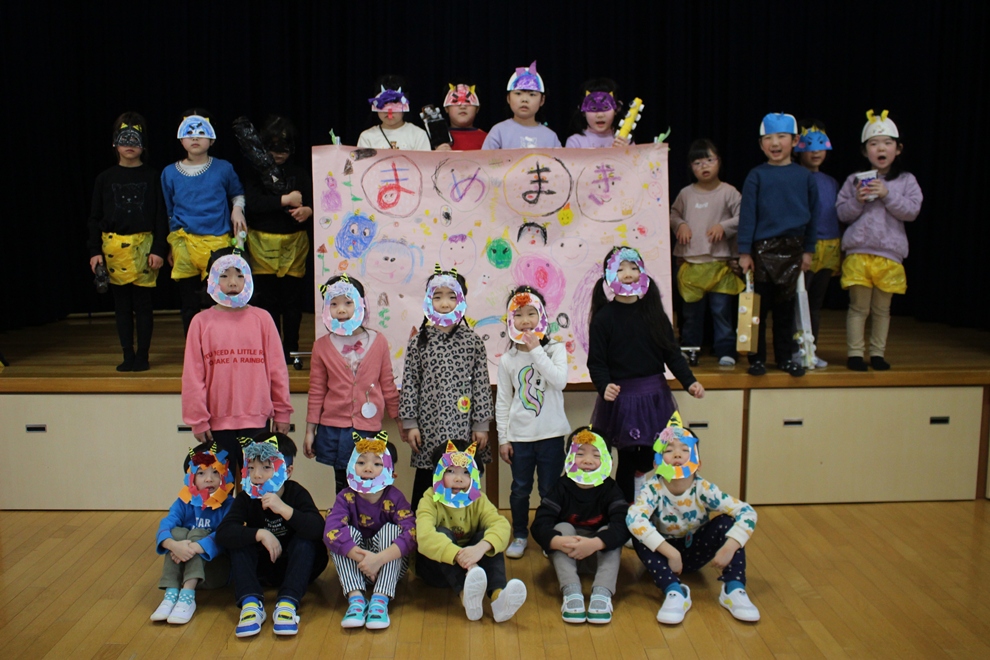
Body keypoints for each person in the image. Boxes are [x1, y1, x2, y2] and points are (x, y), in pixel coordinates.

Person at [588, 246, 704, 504]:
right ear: (609, 276)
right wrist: (604, 385)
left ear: (642, 272)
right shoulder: (603, 318)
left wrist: (690, 382)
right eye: (620, 269)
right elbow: (596, 362)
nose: (628, 274)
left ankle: (649, 492)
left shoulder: (654, 314)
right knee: (627, 457)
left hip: (655, 396)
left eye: (633, 268)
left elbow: (672, 354)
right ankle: (627, 512)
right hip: (623, 398)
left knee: (656, 452)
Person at [626, 413, 759, 625]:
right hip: (664, 555)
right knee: (637, 534)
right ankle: (674, 591)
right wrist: (670, 553)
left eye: (685, 450)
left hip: (696, 548)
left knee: (727, 523)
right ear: (656, 462)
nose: (677, 454)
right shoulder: (653, 488)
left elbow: (747, 512)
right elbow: (634, 519)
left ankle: (734, 589)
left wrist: (730, 547)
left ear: (698, 463)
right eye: (668, 450)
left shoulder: (704, 489)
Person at [181, 248, 293, 473]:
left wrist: (282, 412)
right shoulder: (200, 322)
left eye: (240, 275)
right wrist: (198, 419)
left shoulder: (262, 319)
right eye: (224, 275)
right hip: (216, 422)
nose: (232, 282)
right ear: (211, 278)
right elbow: (193, 377)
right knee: (221, 485)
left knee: (257, 483)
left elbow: (278, 371)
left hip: (256, 420)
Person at [216, 433, 329, 637]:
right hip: (262, 569)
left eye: (266, 468)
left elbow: (318, 528)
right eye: (251, 468)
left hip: (297, 568)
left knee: (307, 541)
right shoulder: (246, 497)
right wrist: (259, 534)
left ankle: (287, 603)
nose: (257, 475)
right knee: (238, 542)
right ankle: (251, 603)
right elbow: (223, 533)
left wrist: (285, 510)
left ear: (288, 471)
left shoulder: (296, 493)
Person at [399, 266, 493, 509]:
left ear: (461, 300)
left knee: (462, 475)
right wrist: (410, 424)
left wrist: (481, 425)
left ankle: (465, 525)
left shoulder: (473, 342)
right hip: (429, 426)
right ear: (428, 300)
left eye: (452, 296)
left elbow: (482, 385)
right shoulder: (418, 342)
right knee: (427, 480)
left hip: (463, 426)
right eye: (437, 296)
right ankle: (423, 527)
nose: (444, 303)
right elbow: (410, 384)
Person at [836, 110, 923, 371]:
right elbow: (841, 213)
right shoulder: (854, 180)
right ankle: (854, 354)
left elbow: (912, 211)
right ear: (865, 151)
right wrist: (857, 200)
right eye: (874, 144)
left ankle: (877, 354)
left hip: (889, 255)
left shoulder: (906, 180)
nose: (881, 148)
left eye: (887, 143)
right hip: (858, 253)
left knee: (882, 310)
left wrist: (887, 194)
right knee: (858, 308)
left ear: (898, 149)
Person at [737, 112, 819, 377]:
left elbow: (814, 216)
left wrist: (808, 250)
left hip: (794, 250)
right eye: (768, 138)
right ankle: (757, 359)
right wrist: (745, 252)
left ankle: (784, 357)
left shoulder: (804, 177)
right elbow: (747, 216)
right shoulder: (756, 176)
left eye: (781, 137)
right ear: (761, 144)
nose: (775, 143)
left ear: (794, 141)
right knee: (757, 312)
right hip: (762, 251)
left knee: (785, 311)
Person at [304, 274, 400, 495]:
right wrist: (310, 430)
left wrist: (399, 420)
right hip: (334, 429)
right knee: (342, 483)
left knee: (369, 482)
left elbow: (387, 384)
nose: (341, 309)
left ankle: (366, 517)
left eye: (348, 302)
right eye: (334, 304)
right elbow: (317, 390)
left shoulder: (378, 341)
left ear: (361, 304)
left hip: (368, 428)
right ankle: (343, 516)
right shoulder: (321, 346)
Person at [87, 112, 168, 371]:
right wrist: (94, 250)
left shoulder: (153, 177)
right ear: (115, 143)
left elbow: (161, 216)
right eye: (124, 139)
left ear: (144, 143)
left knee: (143, 305)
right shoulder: (105, 178)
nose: (130, 144)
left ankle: (142, 355)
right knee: (121, 305)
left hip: (144, 248)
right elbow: (95, 217)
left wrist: (159, 249)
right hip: (113, 249)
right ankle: (127, 354)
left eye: (135, 139)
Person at [495, 286, 570, 559]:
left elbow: (559, 381)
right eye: (518, 315)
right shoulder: (508, 359)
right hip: (520, 438)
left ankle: (548, 536)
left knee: (549, 490)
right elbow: (503, 401)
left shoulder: (555, 349)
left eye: (531, 313)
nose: (525, 320)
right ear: (510, 320)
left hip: (551, 434)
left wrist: (537, 350)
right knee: (519, 490)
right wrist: (503, 439)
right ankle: (519, 534)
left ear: (542, 316)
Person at [415, 440, 527, 622]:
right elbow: (424, 536)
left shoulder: (478, 499)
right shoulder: (429, 499)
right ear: (438, 473)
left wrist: (481, 547)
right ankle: (465, 595)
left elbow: (501, 524)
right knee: (442, 534)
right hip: (436, 571)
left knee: (488, 538)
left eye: (466, 472)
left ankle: (498, 598)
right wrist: (460, 556)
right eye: (450, 471)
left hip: (474, 568)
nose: (458, 478)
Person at [530, 427, 628, 624]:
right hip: (568, 553)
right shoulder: (561, 487)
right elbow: (540, 523)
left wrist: (596, 543)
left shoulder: (611, 489)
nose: (588, 461)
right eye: (580, 454)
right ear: (569, 457)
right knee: (563, 527)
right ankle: (571, 591)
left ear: (606, 459)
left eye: (596, 455)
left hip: (598, 554)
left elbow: (624, 526)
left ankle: (602, 593)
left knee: (610, 532)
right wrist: (556, 542)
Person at [161, 110, 247, 334]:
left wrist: (237, 209)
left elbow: (237, 193)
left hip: (217, 243)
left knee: (218, 299)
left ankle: (219, 344)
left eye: (201, 133)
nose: (195, 138)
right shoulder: (169, 173)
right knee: (189, 302)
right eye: (189, 134)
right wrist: (171, 246)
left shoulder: (224, 168)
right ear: (181, 139)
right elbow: (169, 211)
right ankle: (193, 346)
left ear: (212, 139)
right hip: (184, 244)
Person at [323, 432, 416, 629]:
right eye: (361, 462)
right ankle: (356, 599)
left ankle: (380, 600)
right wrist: (366, 561)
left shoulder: (395, 497)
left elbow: (412, 533)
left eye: (377, 464)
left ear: (391, 473)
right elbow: (330, 531)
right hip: (357, 566)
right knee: (342, 534)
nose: (368, 468)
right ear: (351, 467)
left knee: (392, 530)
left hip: (388, 568)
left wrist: (379, 560)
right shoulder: (345, 497)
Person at [241, 115, 313, 363]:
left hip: (294, 245)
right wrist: (284, 200)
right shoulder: (255, 174)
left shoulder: (300, 173)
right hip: (261, 244)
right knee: (267, 301)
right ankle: (270, 349)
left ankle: (291, 348)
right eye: (274, 148)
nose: (279, 154)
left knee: (292, 302)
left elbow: (316, 201)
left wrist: (308, 211)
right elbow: (253, 204)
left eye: (284, 149)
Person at [670, 139, 744, 366]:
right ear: (690, 167)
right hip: (691, 264)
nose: (704, 166)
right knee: (691, 314)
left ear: (719, 162)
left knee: (721, 312)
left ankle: (725, 350)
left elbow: (743, 216)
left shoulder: (729, 192)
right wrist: (681, 224)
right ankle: (690, 348)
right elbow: (673, 214)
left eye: (709, 160)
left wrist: (724, 226)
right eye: (697, 162)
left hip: (720, 264)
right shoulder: (686, 194)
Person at [150, 443, 235, 624]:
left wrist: (195, 547)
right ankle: (171, 593)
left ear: (224, 475)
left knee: (198, 534)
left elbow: (225, 535)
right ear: (192, 477)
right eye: (201, 473)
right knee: (176, 532)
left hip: (214, 574)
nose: (209, 479)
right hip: (183, 571)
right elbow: (165, 525)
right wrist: (174, 545)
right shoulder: (184, 502)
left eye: (215, 472)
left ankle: (188, 596)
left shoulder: (229, 505)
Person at [794, 119, 840, 368]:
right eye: (809, 145)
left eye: (821, 145)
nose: (815, 151)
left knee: (815, 304)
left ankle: (812, 351)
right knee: (798, 302)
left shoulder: (831, 182)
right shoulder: (796, 177)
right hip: (805, 248)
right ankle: (796, 350)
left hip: (829, 246)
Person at [482, 61, 561, 150]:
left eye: (532, 94)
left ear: (542, 100)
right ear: (508, 98)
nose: (524, 99)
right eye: (518, 93)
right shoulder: (498, 131)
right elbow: (485, 158)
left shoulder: (551, 137)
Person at [356, 75, 431, 151]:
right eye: (384, 104)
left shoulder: (418, 135)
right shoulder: (367, 137)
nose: (389, 111)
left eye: (395, 103)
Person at [564, 78, 630, 148]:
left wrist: (626, 150)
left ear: (617, 109)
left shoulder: (624, 140)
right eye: (593, 108)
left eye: (605, 107)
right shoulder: (575, 142)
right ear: (583, 111)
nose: (600, 115)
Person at [436, 83, 487, 151]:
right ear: (446, 108)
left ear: (477, 108)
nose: (462, 106)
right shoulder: (436, 139)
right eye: (455, 101)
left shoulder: (488, 139)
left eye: (468, 101)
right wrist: (436, 154)